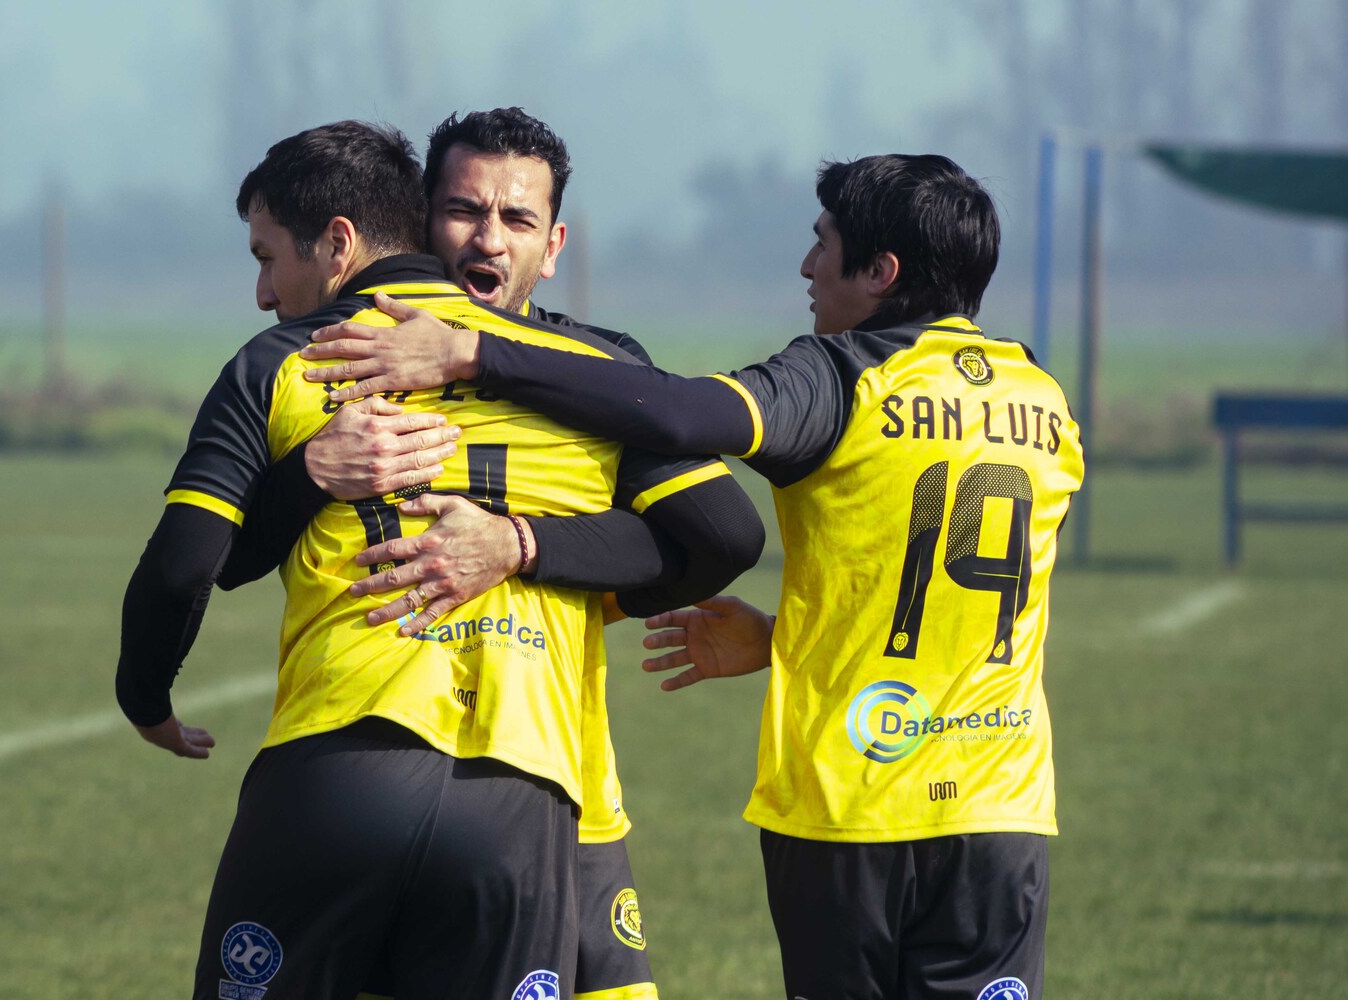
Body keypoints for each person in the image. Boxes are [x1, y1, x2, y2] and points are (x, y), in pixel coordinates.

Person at [300, 153, 1086, 1000]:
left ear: (880, 273)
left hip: (855, 806)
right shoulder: (1042, 399)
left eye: (824, 245)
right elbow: (946, 592)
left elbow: (675, 414)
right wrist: (789, 641)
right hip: (1003, 812)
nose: (807, 267)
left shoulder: (842, 377)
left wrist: (473, 353)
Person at [114, 120, 760, 1000]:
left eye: (516, 219)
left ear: (554, 245)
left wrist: (521, 545)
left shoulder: (291, 361)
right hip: (522, 795)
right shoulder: (599, 373)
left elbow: (189, 565)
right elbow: (725, 537)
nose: (488, 238)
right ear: (421, 217)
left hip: (341, 767)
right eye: (464, 210)